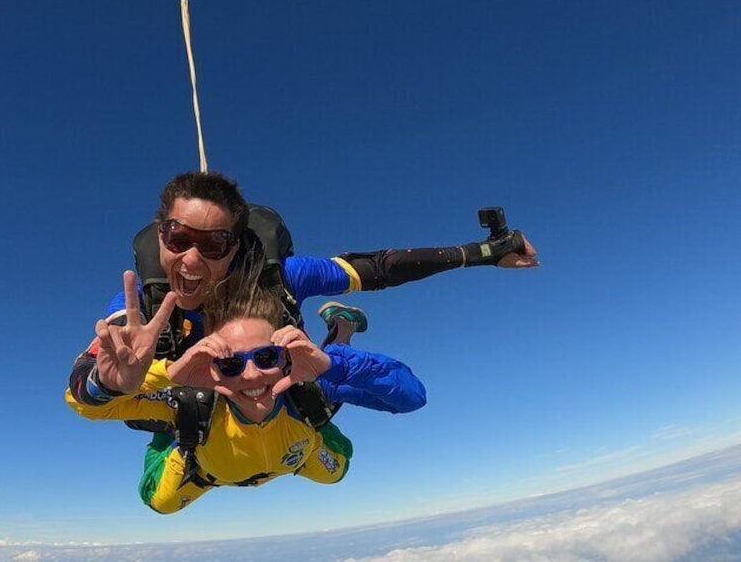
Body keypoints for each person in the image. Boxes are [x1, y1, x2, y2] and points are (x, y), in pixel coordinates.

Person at [67, 171, 538, 408]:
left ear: (234, 248)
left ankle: (339, 331)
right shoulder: (142, 311)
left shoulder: (281, 276)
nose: (191, 259)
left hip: (276, 375)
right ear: (160, 235)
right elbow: (84, 381)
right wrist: (108, 384)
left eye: (214, 244)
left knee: (316, 399)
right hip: (205, 390)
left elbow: (377, 268)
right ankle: (338, 327)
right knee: (166, 416)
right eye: (179, 239)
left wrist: (485, 252)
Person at [67, 263, 426, 514]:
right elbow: (85, 405)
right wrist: (168, 375)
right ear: (211, 368)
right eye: (230, 363)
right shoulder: (189, 402)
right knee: (158, 502)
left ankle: (340, 337)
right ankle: (172, 440)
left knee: (337, 471)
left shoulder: (300, 384)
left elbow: (410, 397)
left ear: (284, 356)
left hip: (296, 456)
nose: (252, 376)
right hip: (207, 471)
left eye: (267, 356)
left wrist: (332, 365)